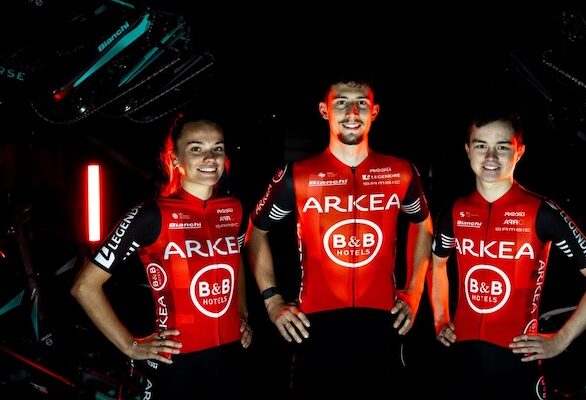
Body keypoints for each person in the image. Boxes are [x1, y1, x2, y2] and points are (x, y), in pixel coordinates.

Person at [245, 77, 433, 397]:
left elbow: (424, 224)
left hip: (382, 322)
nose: (352, 112)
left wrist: (414, 291)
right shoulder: (297, 175)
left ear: (374, 111)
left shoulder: (401, 171)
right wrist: (272, 299)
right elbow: (255, 232)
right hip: (315, 325)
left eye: (361, 103)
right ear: (324, 110)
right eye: (341, 102)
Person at [430, 107, 586, 399]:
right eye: (481, 146)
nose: (491, 157)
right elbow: (437, 265)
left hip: (516, 363)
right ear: (468, 150)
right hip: (462, 360)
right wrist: (441, 318)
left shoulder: (542, 212)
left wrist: (561, 340)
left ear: (519, 151)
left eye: (503, 147)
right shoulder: (454, 211)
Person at [71, 114, 252, 399]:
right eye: (196, 148)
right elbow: (84, 286)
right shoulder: (151, 215)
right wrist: (130, 346)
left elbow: (236, 261)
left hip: (231, 356)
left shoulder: (234, 209)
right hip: (177, 362)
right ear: (175, 158)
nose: (210, 158)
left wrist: (242, 314)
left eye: (217, 148)